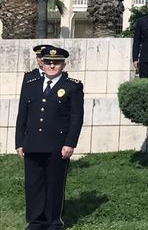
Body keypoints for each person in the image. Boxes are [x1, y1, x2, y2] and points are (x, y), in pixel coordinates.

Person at [15, 45, 84, 230]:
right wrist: (19, 142)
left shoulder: (72, 86)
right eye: (48, 62)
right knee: (33, 185)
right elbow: (22, 114)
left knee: (54, 185)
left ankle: (54, 221)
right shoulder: (31, 84)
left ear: (63, 64)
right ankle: (36, 221)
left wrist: (70, 143)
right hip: (32, 144)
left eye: (56, 63)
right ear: (42, 63)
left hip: (57, 145)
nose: (52, 66)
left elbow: (76, 118)